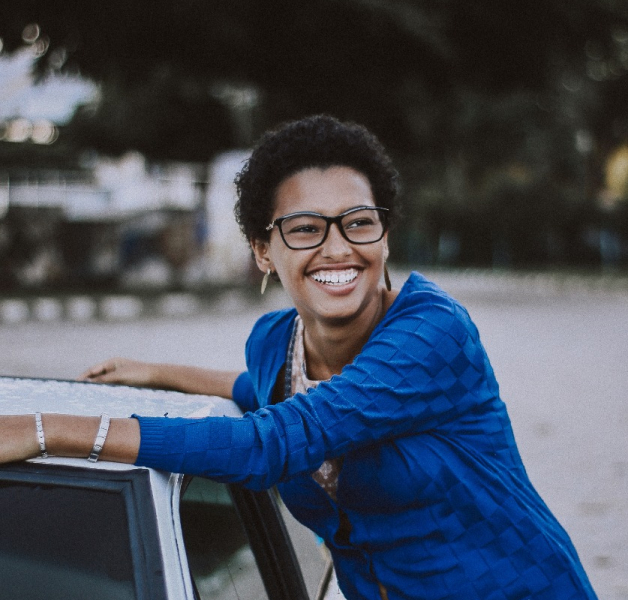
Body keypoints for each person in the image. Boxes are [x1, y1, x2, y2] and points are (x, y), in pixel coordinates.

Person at [0, 115, 597, 600]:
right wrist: (157, 372)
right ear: (263, 250)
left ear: (384, 237)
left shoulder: (432, 334)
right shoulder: (272, 343)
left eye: (358, 223)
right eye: (305, 228)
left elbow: (273, 441)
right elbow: (271, 392)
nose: (337, 248)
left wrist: (45, 431)